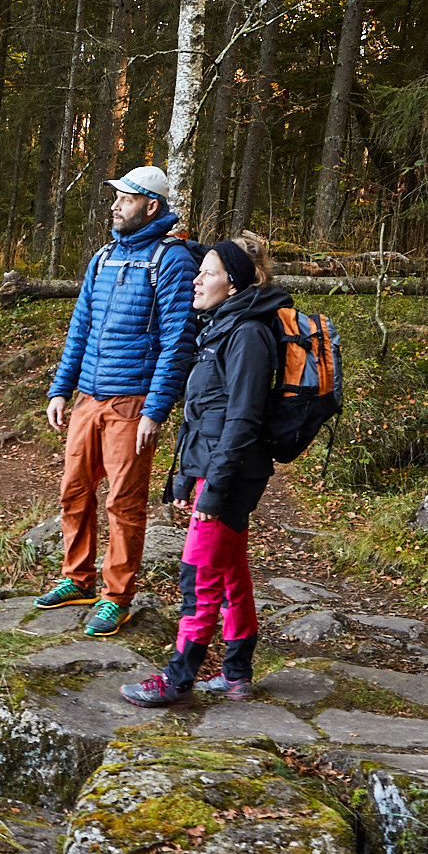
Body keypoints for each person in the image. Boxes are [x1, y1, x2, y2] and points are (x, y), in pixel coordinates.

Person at [122, 237, 291, 706]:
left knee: (198, 575)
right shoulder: (219, 326)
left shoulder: (249, 334)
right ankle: (236, 673)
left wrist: (213, 490)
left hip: (232, 471)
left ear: (233, 282)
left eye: (208, 272)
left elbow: (241, 420)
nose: (196, 279)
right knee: (232, 569)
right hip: (214, 466)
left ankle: (178, 679)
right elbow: (202, 413)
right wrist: (183, 477)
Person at [37, 165, 198, 639]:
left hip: (133, 401)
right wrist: (60, 389)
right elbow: (80, 328)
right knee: (74, 491)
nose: (115, 205)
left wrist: (156, 409)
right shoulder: (103, 256)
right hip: (88, 395)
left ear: (151, 205)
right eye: (116, 197)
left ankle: (116, 597)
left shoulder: (172, 260)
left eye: (125, 199)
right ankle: (77, 579)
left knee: (124, 503)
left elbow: (178, 341)